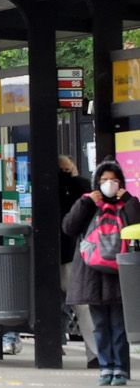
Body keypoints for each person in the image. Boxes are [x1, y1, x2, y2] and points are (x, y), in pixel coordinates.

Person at [63, 160, 140, 386]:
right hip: (92, 274)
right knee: (100, 326)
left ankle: (120, 369)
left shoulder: (127, 204)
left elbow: (137, 222)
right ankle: (106, 367)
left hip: (119, 273)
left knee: (118, 325)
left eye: (114, 180)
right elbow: (69, 227)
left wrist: (128, 200)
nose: (109, 184)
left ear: (121, 183)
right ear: (97, 182)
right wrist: (85, 202)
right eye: (104, 180)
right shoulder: (89, 204)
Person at [59, 155, 99, 367]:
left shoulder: (42, 187)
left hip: (47, 256)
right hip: (76, 255)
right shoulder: (83, 188)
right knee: (84, 306)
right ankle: (95, 354)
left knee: (54, 305)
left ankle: (53, 345)